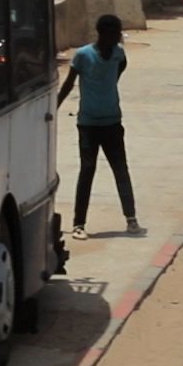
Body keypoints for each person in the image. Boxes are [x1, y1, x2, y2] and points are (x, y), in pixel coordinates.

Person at [56, 14, 140, 240]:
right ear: (104, 33)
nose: (119, 37)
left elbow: (120, 69)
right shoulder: (83, 55)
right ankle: (79, 224)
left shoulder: (118, 54)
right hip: (88, 124)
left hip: (113, 121)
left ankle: (131, 219)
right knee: (87, 171)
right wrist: (53, 108)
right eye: (116, 33)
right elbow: (69, 83)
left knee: (120, 170)